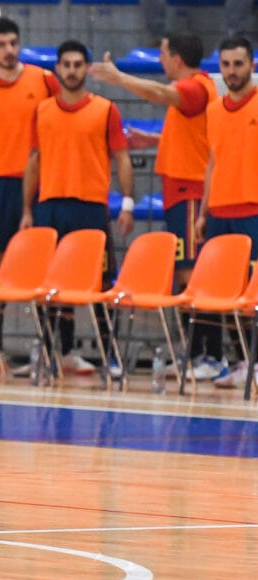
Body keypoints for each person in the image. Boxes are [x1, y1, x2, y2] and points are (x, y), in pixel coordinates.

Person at [90, 32, 222, 378]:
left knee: (193, 274)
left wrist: (118, 77)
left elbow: (160, 94)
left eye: (163, 53)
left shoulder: (193, 87)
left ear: (177, 58)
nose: (160, 59)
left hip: (191, 193)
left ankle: (208, 356)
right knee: (186, 274)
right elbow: (197, 138)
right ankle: (200, 355)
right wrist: (157, 140)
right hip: (180, 193)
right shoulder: (196, 92)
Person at [21, 40, 135, 372]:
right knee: (49, 282)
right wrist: (27, 210)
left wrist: (127, 203)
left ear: (86, 69)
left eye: (77, 64)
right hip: (50, 206)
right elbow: (34, 161)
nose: (71, 70)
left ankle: (110, 355)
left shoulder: (105, 109)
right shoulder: (41, 111)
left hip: (90, 208)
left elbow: (122, 158)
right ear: (57, 69)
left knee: (101, 283)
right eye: (66, 64)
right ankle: (57, 351)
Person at [0, 17, 61, 372]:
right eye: (1, 44)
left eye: (13, 43)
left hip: (42, 181)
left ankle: (53, 350)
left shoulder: (43, 79)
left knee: (50, 264)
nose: (9, 50)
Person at [196, 35, 258, 389]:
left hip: (253, 210)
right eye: (226, 65)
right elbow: (213, 162)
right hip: (220, 210)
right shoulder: (214, 109)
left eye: (238, 64)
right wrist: (204, 211)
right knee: (223, 290)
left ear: (251, 65)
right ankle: (236, 360)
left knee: (253, 293)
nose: (232, 71)